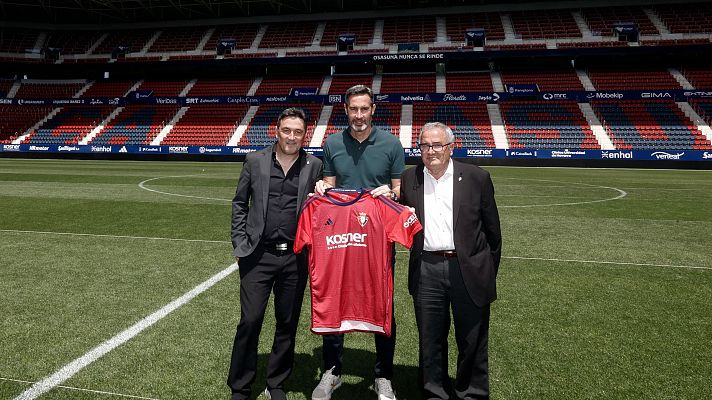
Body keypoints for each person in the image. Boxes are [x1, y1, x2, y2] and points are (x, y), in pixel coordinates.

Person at [312, 84, 404, 400]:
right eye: (354, 109)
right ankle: (333, 371)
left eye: (365, 109)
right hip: (340, 238)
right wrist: (322, 189)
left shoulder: (392, 144)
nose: (359, 115)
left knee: (383, 303)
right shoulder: (333, 143)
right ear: (346, 110)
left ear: (373, 110)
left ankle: (383, 376)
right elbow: (329, 186)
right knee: (335, 300)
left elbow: (399, 193)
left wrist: (390, 194)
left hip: (377, 241)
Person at [399, 122, 502, 400]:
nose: (430, 151)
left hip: (468, 269)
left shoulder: (477, 177)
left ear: (450, 147)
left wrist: (485, 271)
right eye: (424, 145)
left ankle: (472, 393)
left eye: (437, 145)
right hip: (427, 269)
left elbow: (493, 233)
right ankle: (435, 393)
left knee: (472, 340)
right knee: (430, 339)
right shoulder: (410, 179)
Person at [228, 107, 323, 400]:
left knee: (287, 322)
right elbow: (239, 203)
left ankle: (276, 383)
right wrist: (240, 243)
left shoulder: (314, 165)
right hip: (257, 256)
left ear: (304, 134)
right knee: (250, 320)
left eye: (298, 132)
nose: (291, 137)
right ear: (276, 130)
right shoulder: (255, 160)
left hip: (295, 258)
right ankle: (240, 386)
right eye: (286, 130)